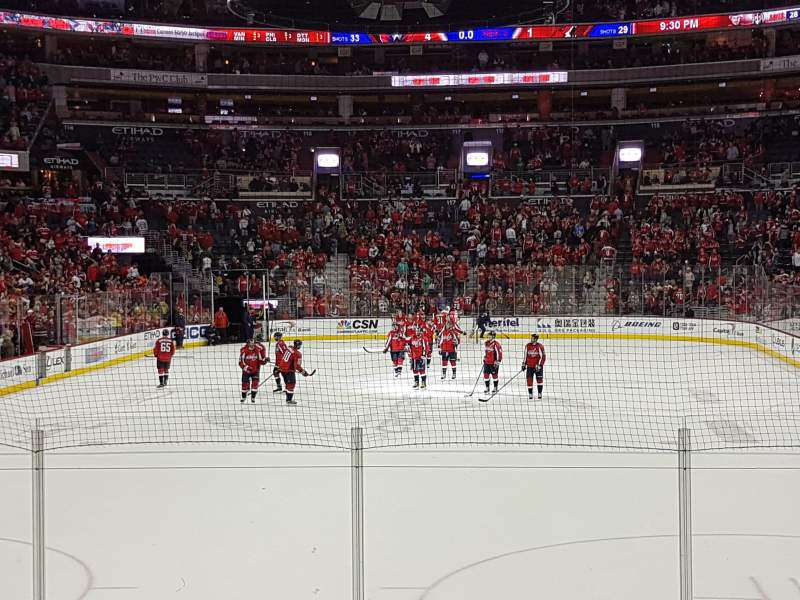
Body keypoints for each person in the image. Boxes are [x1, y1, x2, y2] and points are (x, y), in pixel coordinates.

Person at [239, 338, 268, 403]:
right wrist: (247, 368)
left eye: (253, 343)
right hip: (246, 371)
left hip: (255, 371)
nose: (252, 344)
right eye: (251, 343)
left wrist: (265, 360)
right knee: (244, 385)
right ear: (248, 343)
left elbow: (260, 361)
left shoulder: (257, 350)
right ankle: (243, 397)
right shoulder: (244, 351)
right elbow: (241, 362)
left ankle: (253, 397)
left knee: (255, 385)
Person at [283, 340, 310, 405]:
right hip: (289, 370)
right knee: (291, 384)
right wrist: (303, 371)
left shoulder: (289, 349)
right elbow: (297, 366)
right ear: (298, 345)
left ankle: (288, 398)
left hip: (282, 370)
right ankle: (289, 400)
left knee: (287, 384)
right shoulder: (298, 354)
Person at [521, 333, 546, 400]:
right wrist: (524, 364)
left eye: (532, 338)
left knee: (539, 380)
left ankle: (539, 393)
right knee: (529, 380)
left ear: (536, 339)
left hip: (538, 367)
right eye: (531, 338)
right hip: (529, 366)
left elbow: (543, 357)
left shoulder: (540, 346)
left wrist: (540, 365)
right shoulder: (527, 346)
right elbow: (525, 356)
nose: (531, 339)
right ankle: (530, 393)